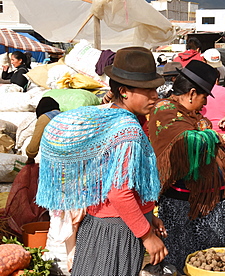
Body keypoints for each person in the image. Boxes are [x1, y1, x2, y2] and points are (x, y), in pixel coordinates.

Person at [36, 47, 168, 276]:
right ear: (125, 92)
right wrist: (147, 236)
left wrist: (148, 214)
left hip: (101, 224)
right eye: (148, 90)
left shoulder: (112, 119)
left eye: (155, 89)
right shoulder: (126, 129)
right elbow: (119, 192)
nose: (155, 95)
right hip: (115, 230)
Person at [147, 60, 225, 273]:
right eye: (204, 97)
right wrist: (212, 136)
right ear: (192, 93)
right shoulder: (165, 109)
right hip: (182, 201)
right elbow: (185, 141)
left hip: (210, 199)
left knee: (211, 259)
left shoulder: (188, 113)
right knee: (182, 254)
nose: (204, 104)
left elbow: (199, 128)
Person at [200, 70, 225, 156]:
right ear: (217, 79)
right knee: (224, 157)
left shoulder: (200, 92)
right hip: (224, 127)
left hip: (205, 128)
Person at [25, 97, 61, 164]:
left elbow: (34, 144)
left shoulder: (45, 117)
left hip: (58, 158)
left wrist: (30, 157)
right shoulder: (63, 115)